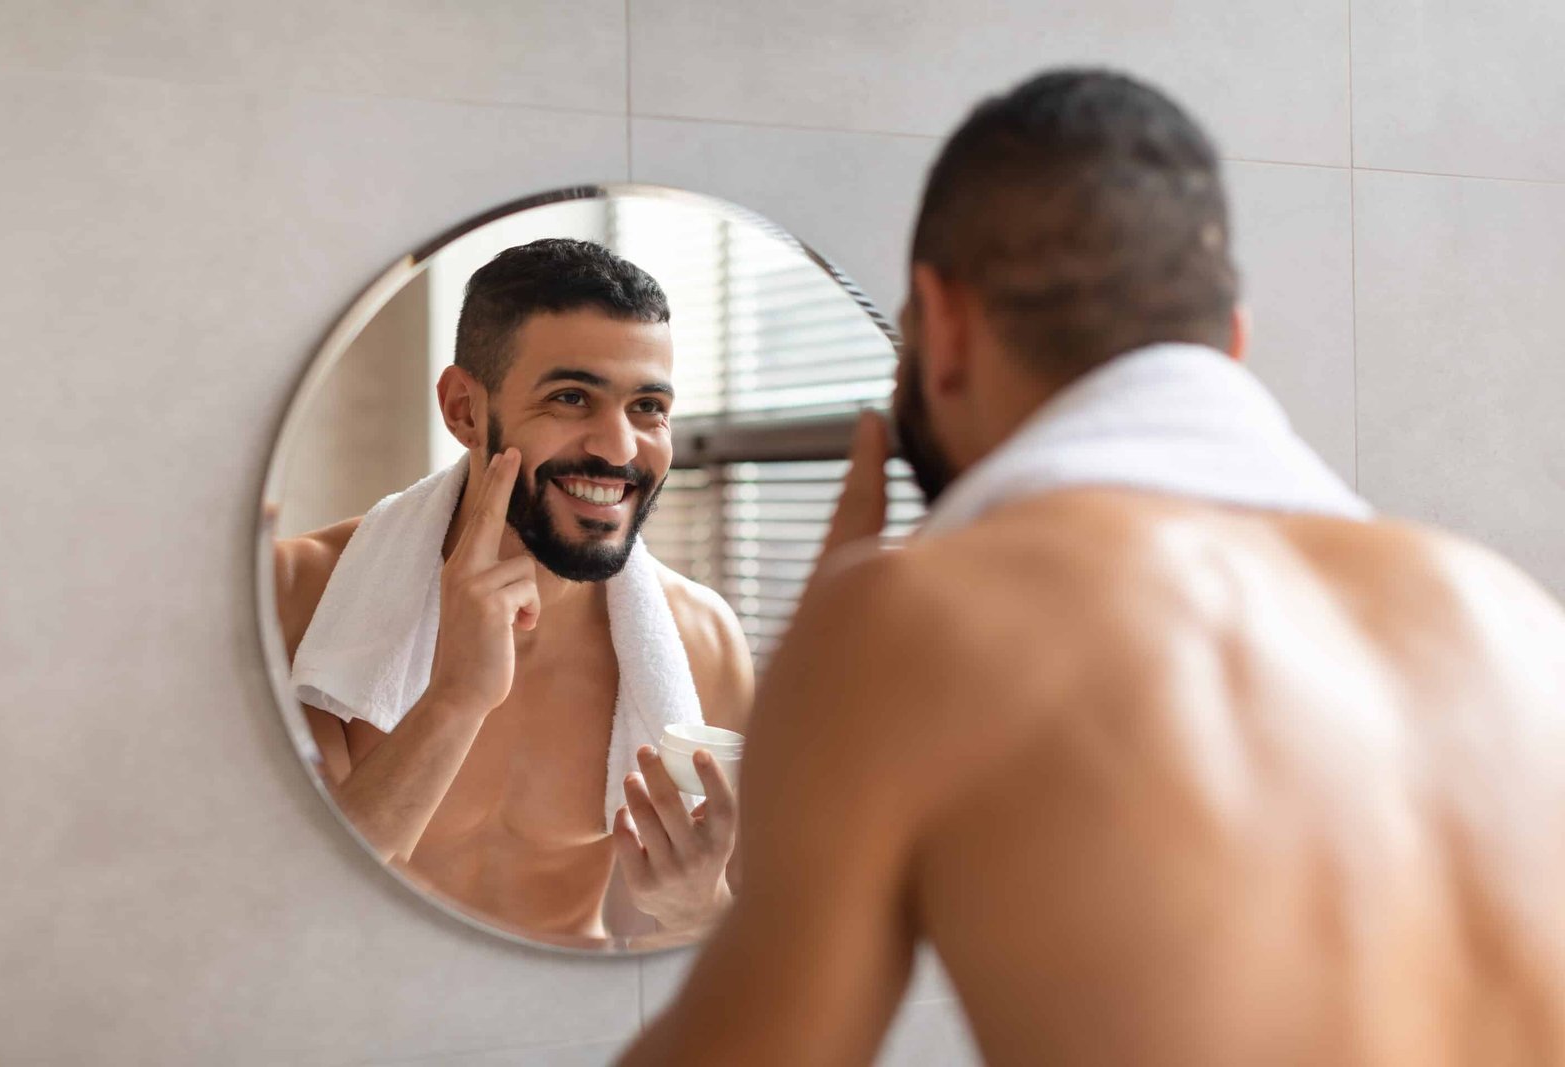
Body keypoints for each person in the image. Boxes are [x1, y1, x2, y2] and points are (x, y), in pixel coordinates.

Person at [620, 70, 1565, 1064]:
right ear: (1227, 349)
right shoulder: (1515, 619)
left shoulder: (921, 615)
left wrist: (822, 692)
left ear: (942, 329)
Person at [274, 239, 753, 940]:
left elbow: (761, 948)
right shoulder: (302, 592)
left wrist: (694, 908)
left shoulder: (702, 639)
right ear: (465, 409)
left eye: (647, 406)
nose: (619, 449)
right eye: (571, 397)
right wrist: (455, 698)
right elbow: (290, 898)